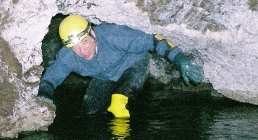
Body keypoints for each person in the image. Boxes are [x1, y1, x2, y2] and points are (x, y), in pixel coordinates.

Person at [38, 14, 204, 118]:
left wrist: (180, 59)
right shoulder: (69, 56)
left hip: (132, 65)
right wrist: (44, 94)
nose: (82, 50)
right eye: (75, 47)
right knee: (90, 112)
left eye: (85, 41)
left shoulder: (113, 35)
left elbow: (154, 40)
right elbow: (52, 76)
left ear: (92, 34)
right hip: (104, 76)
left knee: (118, 105)